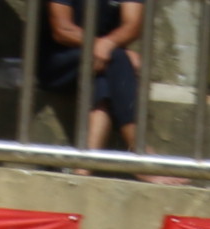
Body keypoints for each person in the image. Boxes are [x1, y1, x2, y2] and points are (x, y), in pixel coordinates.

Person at [40, 0, 144, 151]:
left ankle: (84, 167)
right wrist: (105, 47)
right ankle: (139, 151)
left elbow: (133, 25)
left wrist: (108, 45)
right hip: (58, 58)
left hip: (101, 61)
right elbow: (61, 29)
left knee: (103, 83)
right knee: (117, 59)